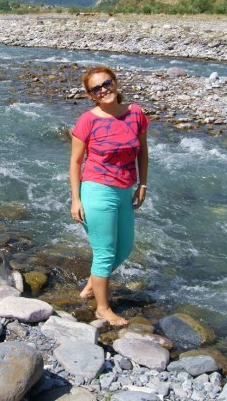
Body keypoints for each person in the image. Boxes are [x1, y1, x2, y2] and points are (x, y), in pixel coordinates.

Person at [69, 65, 149, 327]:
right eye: (96, 88)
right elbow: (75, 162)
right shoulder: (87, 120)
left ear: (115, 82)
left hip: (126, 189)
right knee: (104, 253)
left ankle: (92, 284)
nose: (104, 90)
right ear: (91, 95)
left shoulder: (135, 113)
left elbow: (142, 153)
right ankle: (103, 309)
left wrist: (143, 185)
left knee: (124, 248)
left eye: (107, 83)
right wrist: (76, 199)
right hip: (97, 190)